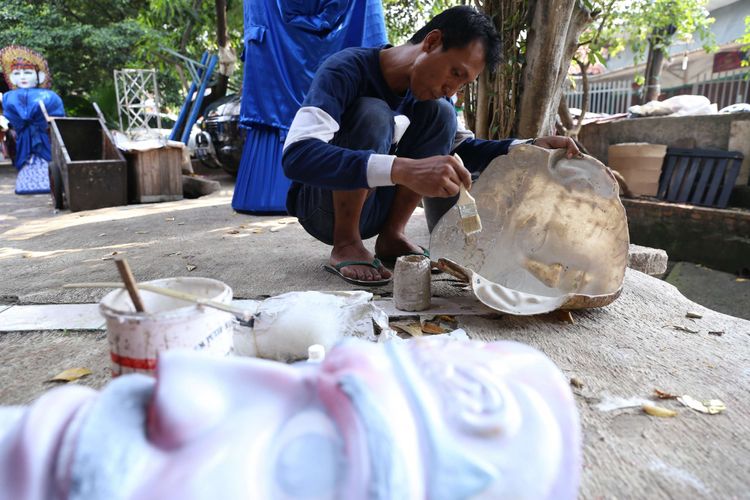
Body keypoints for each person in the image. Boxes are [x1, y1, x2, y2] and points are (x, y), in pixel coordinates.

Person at [282, 6, 579, 286]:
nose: (453, 88)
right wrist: (402, 169)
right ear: (432, 42)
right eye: (456, 73)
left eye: (463, 84)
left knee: (442, 114)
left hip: (375, 211)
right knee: (373, 113)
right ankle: (346, 243)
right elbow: (297, 155)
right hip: (322, 210)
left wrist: (528, 147)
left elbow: (464, 150)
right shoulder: (345, 70)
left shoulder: (430, 98)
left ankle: (392, 236)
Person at [0, 45, 64, 195]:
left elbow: (58, 115)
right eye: (18, 73)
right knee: (27, 161)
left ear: (39, 76)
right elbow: (11, 116)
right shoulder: (10, 96)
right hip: (24, 137)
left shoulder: (49, 95)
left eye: (27, 72)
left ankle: (52, 183)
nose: (22, 77)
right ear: (12, 77)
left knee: (47, 160)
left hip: (44, 135)